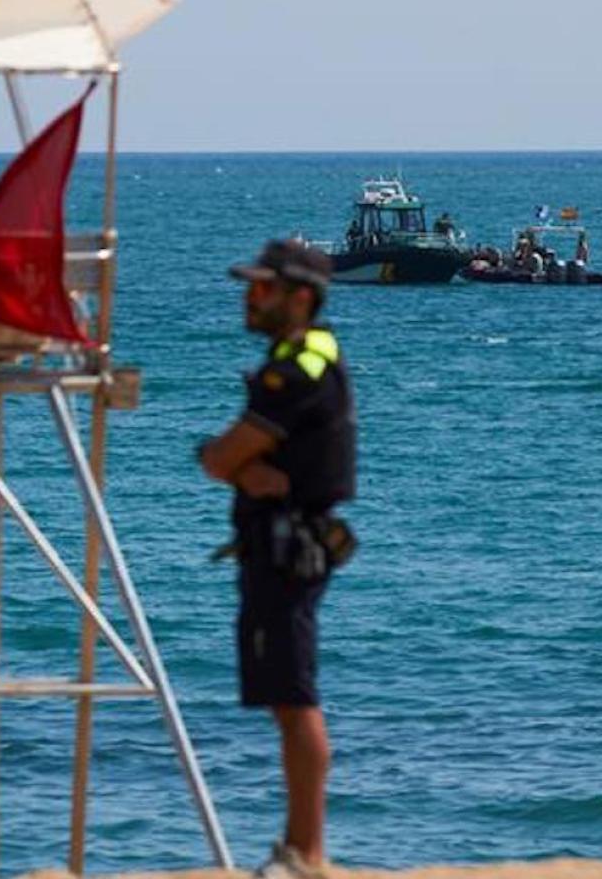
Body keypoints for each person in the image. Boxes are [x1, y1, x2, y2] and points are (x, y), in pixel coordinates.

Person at [198, 239, 357, 879]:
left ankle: (307, 854)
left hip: (290, 550)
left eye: (262, 288)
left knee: (295, 699)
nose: (249, 297)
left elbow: (223, 456)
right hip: (282, 545)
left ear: (300, 297)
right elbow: (234, 460)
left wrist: (229, 462)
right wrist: (240, 467)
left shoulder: (295, 373)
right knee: (287, 699)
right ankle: (299, 847)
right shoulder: (301, 360)